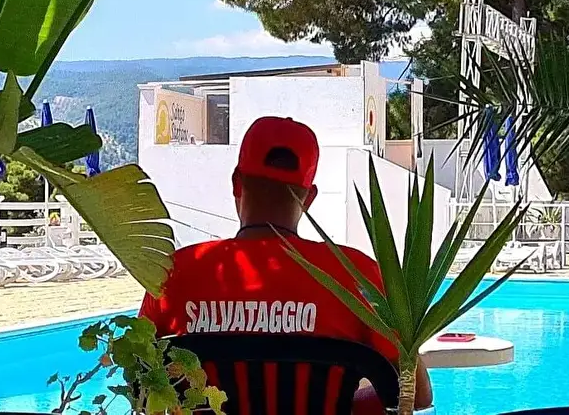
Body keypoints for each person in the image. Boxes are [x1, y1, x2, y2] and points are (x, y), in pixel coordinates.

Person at [139, 116, 432, 414]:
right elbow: (417, 395)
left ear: (236, 183)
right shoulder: (358, 276)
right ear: (309, 198)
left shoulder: (172, 273)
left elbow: (139, 384)